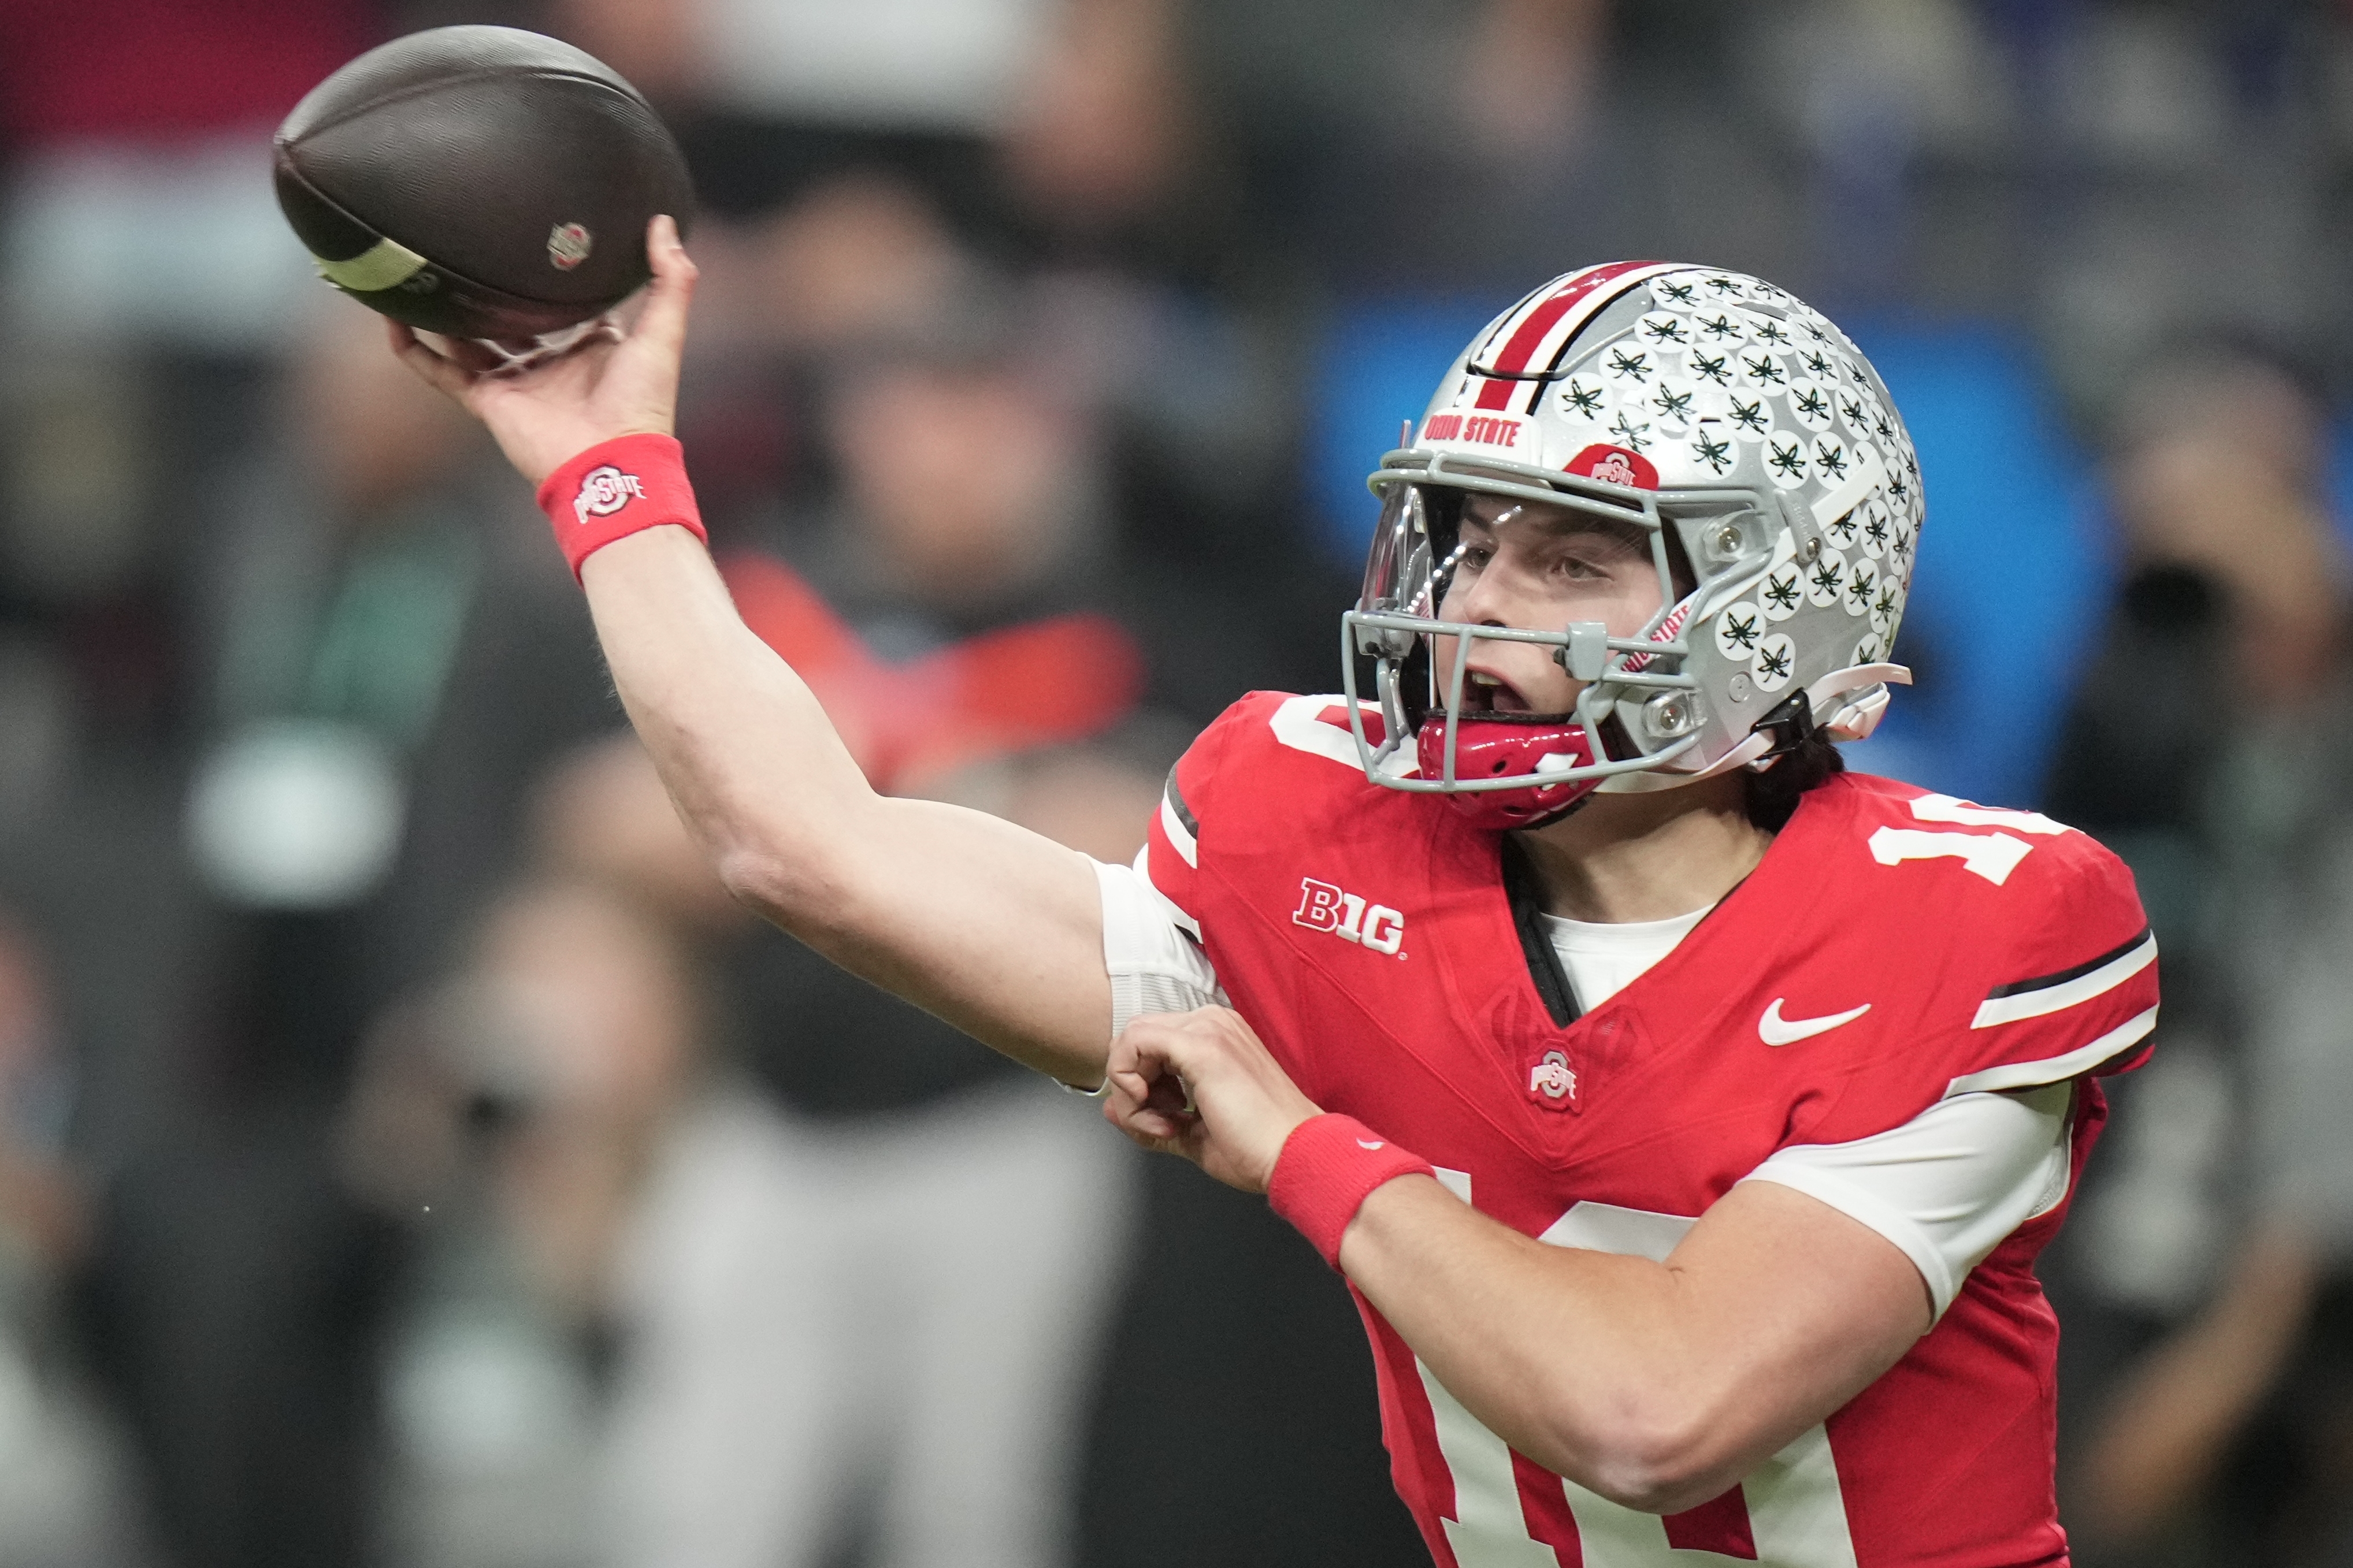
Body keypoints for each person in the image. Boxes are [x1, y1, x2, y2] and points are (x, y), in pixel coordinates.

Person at [392, 225, 2157, 1564]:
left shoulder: (1980, 924)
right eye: (1468, 543)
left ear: (1792, 612)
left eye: (1575, 557)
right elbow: (813, 846)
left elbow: (1656, 1408)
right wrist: (603, 472)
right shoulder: (1317, 833)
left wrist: (1300, 1143)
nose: (1476, 611)